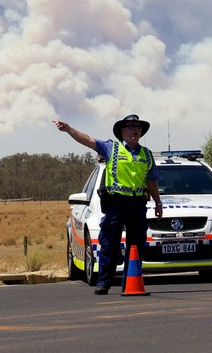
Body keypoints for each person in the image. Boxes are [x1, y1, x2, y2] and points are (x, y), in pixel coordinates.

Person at [53, 114, 163, 295]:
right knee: (109, 244)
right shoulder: (111, 148)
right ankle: (104, 282)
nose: (135, 130)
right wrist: (68, 129)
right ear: (123, 131)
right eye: (131, 127)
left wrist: (158, 202)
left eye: (138, 128)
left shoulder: (147, 155)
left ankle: (131, 282)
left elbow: (152, 181)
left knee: (136, 245)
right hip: (116, 204)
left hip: (137, 205)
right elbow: (88, 140)